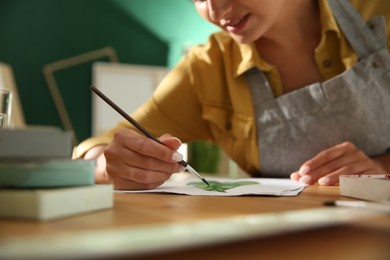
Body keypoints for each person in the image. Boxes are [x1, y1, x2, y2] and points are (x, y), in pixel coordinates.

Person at [73, 0, 390, 190]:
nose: (216, 10)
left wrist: (381, 166)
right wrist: (106, 164)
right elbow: (93, 149)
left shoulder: (379, 11)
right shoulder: (206, 70)